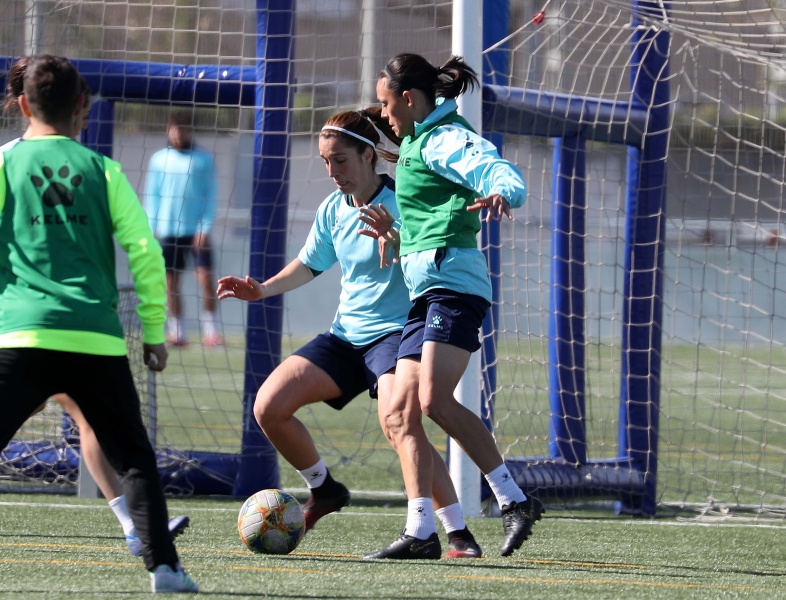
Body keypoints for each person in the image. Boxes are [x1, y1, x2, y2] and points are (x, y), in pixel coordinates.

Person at [217, 110, 482, 559]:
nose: (332, 171)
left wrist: (397, 238)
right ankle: (324, 489)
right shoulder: (332, 210)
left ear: (368, 155)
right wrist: (261, 289)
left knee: (401, 424)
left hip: (397, 336)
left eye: (340, 160)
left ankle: (455, 534)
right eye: (325, 162)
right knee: (269, 406)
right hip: (345, 337)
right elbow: (309, 264)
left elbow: (436, 256)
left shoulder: (406, 201)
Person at [0, 54, 197, 593]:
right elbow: (145, 252)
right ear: (82, 107)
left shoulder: (3, 165)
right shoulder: (102, 170)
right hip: (94, 337)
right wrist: (153, 330)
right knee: (134, 456)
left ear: (22, 105)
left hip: (21, 334)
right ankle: (165, 568)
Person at [359, 53, 541, 559]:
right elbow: (427, 215)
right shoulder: (417, 139)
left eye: (386, 104)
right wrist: (396, 237)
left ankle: (513, 499)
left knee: (434, 402)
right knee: (399, 412)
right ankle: (425, 532)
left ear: (411, 100)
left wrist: (503, 191)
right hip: (425, 292)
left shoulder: (443, 138)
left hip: (454, 287)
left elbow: (498, 170)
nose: (384, 115)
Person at [144, 110, 221, 348]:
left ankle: (211, 330)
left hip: (197, 233)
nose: (178, 133)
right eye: (174, 128)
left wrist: (204, 227)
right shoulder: (158, 159)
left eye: (184, 128)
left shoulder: (204, 159)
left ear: (191, 130)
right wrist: (151, 227)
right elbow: (152, 194)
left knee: (207, 281)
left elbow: (212, 195)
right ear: (169, 130)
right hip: (168, 232)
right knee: (170, 284)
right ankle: (177, 332)